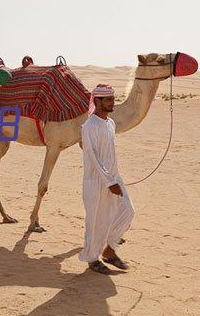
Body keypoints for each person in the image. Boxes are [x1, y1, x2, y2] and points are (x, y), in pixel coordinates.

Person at [79, 84, 135, 274]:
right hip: (95, 183)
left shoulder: (110, 124)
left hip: (113, 179)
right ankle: (93, 259)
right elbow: (94, 158)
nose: (112, 102)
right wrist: (109, 182)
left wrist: (114, 179)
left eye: (113, 98)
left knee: (127, 211)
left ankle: (109, 249)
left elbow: (109, 155)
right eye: (108, 99)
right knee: (96, 222)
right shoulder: (89, 126)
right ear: (97, 101)